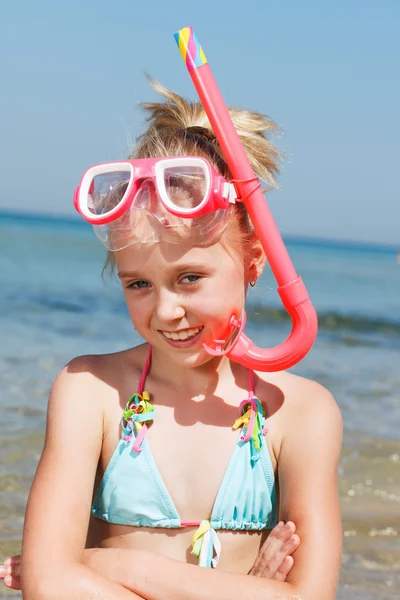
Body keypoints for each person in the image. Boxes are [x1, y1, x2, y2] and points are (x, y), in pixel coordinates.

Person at [0, 81, 342, 600]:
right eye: (139, 283)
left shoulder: (300, 413)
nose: (165, 311)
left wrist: (106, 563)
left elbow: (309, 598)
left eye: (189, 278)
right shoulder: (88, 390)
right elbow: (48, 586)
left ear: (253, 263)